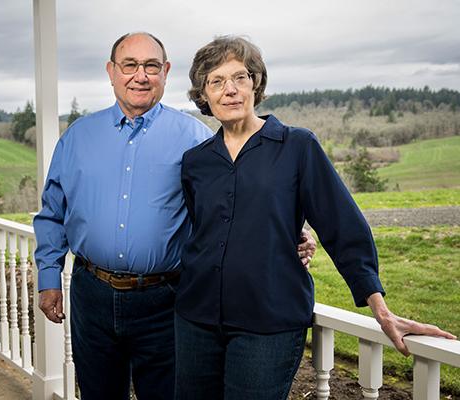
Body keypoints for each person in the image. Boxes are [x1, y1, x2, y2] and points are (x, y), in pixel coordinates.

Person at [33, 32, 316, 400]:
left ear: (165, 72)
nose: (141, 75)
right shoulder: (77, 138)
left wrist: (292, 233)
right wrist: (48, 276)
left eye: (151, 66)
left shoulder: (196, 140)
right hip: (92, 295)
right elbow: (53, 212)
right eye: (130, 65)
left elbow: (235, 204)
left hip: (166, 299)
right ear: (111, 72)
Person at [174, 35, 457, 400]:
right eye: (217, 81)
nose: (230, 90)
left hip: (269, 321)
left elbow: (343, 226)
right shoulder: (196, 161)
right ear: (204, 95)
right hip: (196, 319)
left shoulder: (297, 146)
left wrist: (380, 309)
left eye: (240, 77)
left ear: (255, 83)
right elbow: (205, 231)